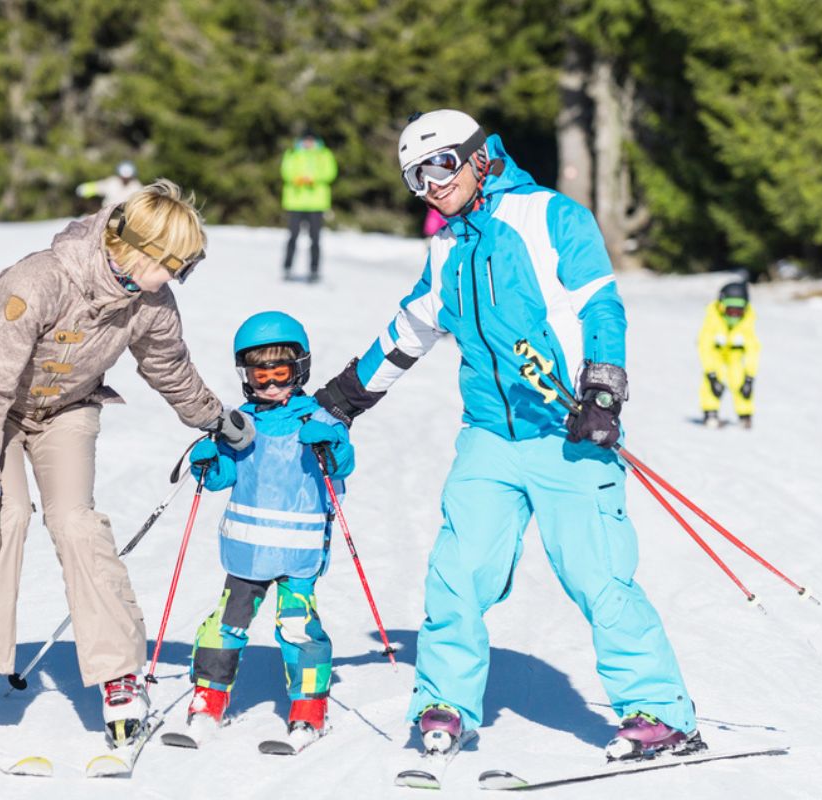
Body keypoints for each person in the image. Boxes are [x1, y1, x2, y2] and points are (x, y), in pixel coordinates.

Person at [314, 109, 700, 762]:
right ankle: (445, 702)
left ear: (479, 158)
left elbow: (599, 304)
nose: (430, 184)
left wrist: (602, 392)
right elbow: (410, 330)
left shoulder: (552, 217)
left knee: (598, 576)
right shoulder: (447, 247)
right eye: (415, 176)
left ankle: (662, 714)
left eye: (438, 166)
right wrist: (339, 402)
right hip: (489, 435)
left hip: (569, 429)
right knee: (458, 572)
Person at [0, 179, 255, 750]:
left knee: (77, 523)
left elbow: (168, 368)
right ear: (143, 252)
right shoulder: (37, 281)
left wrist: (212, 417)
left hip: (65, 408)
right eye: (176, 267)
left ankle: (119, 674)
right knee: (6, 517)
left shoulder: (149, 302)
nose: (178, 281)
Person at [179, 311, 354, 742]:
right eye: (261, 376)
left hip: (298, 553)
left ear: (301, 369)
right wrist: (207, 463)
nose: (272, 384)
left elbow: (344, 467)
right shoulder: (242, 423)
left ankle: (309, 709)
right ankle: (209, 699)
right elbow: (224, 476)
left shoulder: (319, 420)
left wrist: (331, 443)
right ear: (246, 377)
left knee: (297, 626)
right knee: (225, 623)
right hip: (248, 553)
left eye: (281, 372)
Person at [697, 281, 760, 429]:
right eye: (730, 311)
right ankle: (710, 413)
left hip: (734, 355)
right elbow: (704, 346)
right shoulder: (712, 318)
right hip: (716, 354)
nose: (735, 316)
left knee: (739, 379)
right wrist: (711, 375)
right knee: (712, 381)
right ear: (721, 306)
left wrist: (750, 378)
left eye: (739, 312)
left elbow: (753, 350)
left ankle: (745, 415)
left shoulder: (748, 321)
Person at [280, 131, 337, 283]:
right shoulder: (292, 153)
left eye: (311, 140)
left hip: (316, 204)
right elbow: (286, 172)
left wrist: (314, 179)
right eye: (306, 140)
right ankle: (287, 267)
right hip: (296, 202)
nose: (308, 143)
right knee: (292, 237)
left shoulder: (324, 154)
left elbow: (331, 172)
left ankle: (314, 270)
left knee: (315, 239)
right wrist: (297, 179)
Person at [76, 160, 143, 209]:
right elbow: (99, 187)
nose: (125, 179)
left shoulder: (136, 187)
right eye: (123, 177)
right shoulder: (112, 182)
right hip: (106, 216)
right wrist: (84, 189)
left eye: (127, 178)